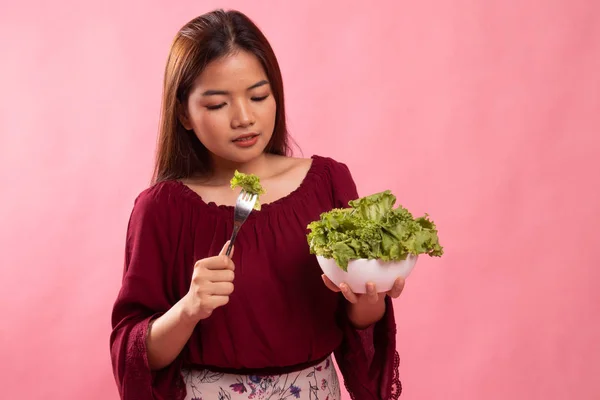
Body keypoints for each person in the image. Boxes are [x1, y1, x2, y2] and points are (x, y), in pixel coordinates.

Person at [110, 8, 405, 400]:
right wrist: (189, 308)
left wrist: (370, 300)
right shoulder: (160, 208)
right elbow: (134, 352)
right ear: (183, 112)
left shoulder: (328, 182)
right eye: (218, 104)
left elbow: (358, 326)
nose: (245, 118)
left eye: (259, 96)